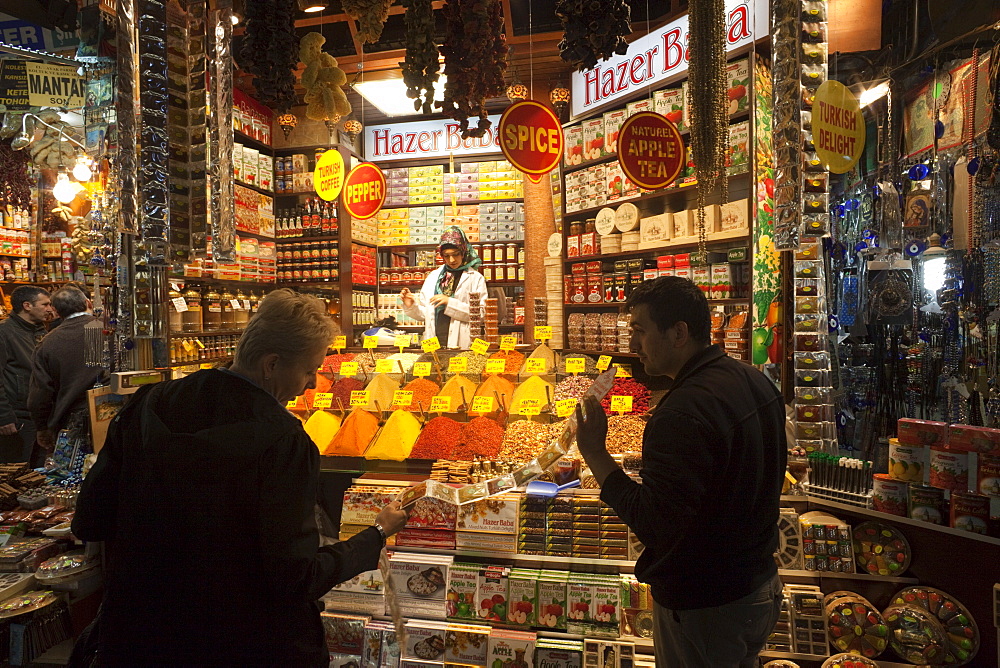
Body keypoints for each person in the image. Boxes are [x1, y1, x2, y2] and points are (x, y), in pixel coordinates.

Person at [72, 289, 409, 666]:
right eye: (310, 370)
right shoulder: (284, 442)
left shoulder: (149, 403)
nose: (313, 384)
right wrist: (374, 536)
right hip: (243, 642)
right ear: (271, 364)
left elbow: (89, 519)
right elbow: (294, 577)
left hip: (141, 635)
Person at [575, 277, 786, 668]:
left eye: (639, 331)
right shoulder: (755, 380)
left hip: (707, 607)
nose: (632, 345)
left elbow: (655, 524)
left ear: (678, 333)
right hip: (759, 589)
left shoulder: (681, 413)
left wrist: (594, 453)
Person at [28, 286, 108, 453]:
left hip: (69, 421)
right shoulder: (110, 331)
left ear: (56, 312)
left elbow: (40, 393)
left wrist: (42, 427)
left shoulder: (47, 343)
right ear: (88, 303)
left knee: (75, 474)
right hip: (112, 413)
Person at [400, 226, 487, 348]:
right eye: (446, 256)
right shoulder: (433, 277)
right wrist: (411, 306)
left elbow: (481, 314)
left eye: (456, 254)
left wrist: (449, 302)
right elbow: (427, 314)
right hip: (434, 342)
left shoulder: (475, 278)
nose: (451, 260)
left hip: (461, 342)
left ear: (463, 252)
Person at [0, 286, 53, 464]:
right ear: (27, 305)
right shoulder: (4, 333)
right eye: (45, 304)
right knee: (15, 473)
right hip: (17, 418)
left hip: (38, 416)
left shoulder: (40, 331)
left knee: (37, 472)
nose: (49, 309)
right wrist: (4, 416)